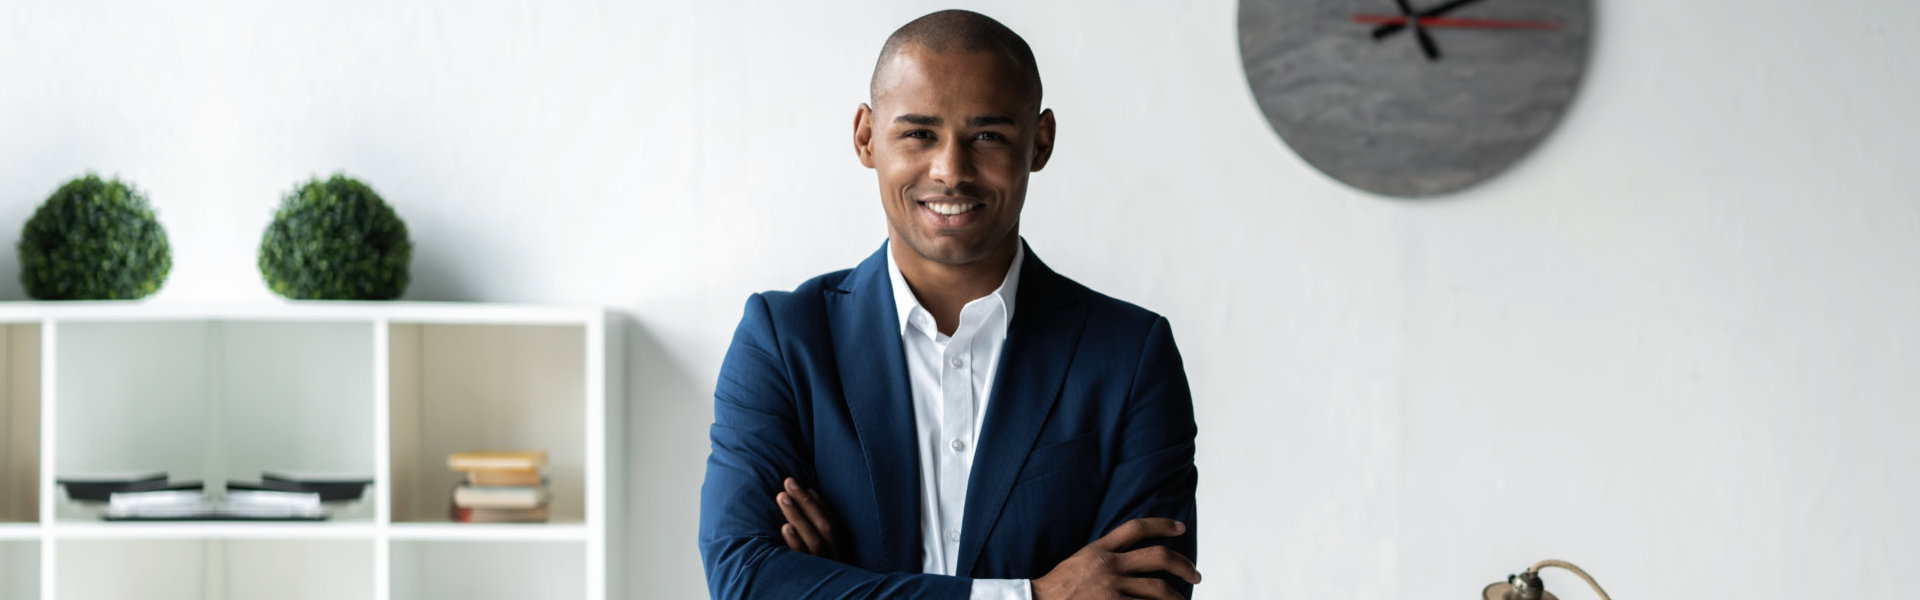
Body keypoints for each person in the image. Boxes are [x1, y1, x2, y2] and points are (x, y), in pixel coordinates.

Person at [698, 9, 1200, 599]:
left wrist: (844, 583)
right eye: (919, 133)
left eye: (987, 136)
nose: (951, 171)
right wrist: (1033, 595)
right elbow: (743, 579)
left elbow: (1145, 594)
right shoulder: (784, 342)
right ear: (866, 137)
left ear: (1039, 142)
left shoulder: (1130, 355)